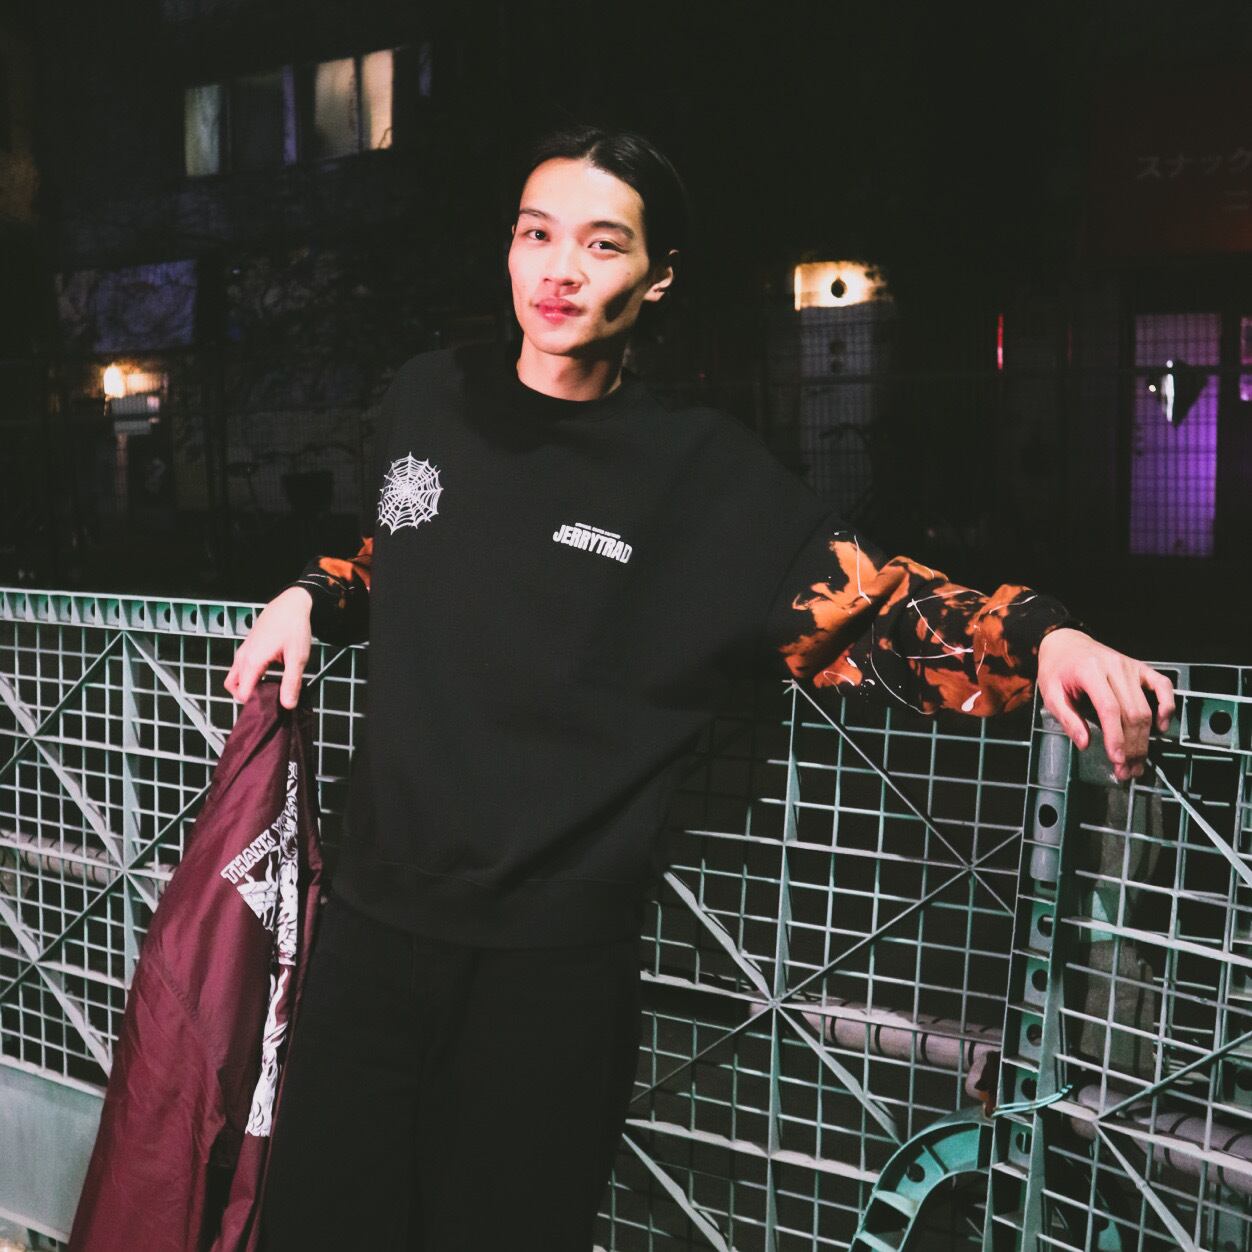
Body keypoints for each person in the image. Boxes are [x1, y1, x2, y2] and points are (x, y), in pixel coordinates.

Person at [225, 123, 1176, 1249]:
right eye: (536, 234)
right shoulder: (428, 396)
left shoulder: (703, 476)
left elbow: (874, 609)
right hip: (368, 937)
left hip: (548, 972)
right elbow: (405, 555)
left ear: (657, 275)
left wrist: (1042, 637)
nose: (559, 270)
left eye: (601, 244)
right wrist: (315, 594)